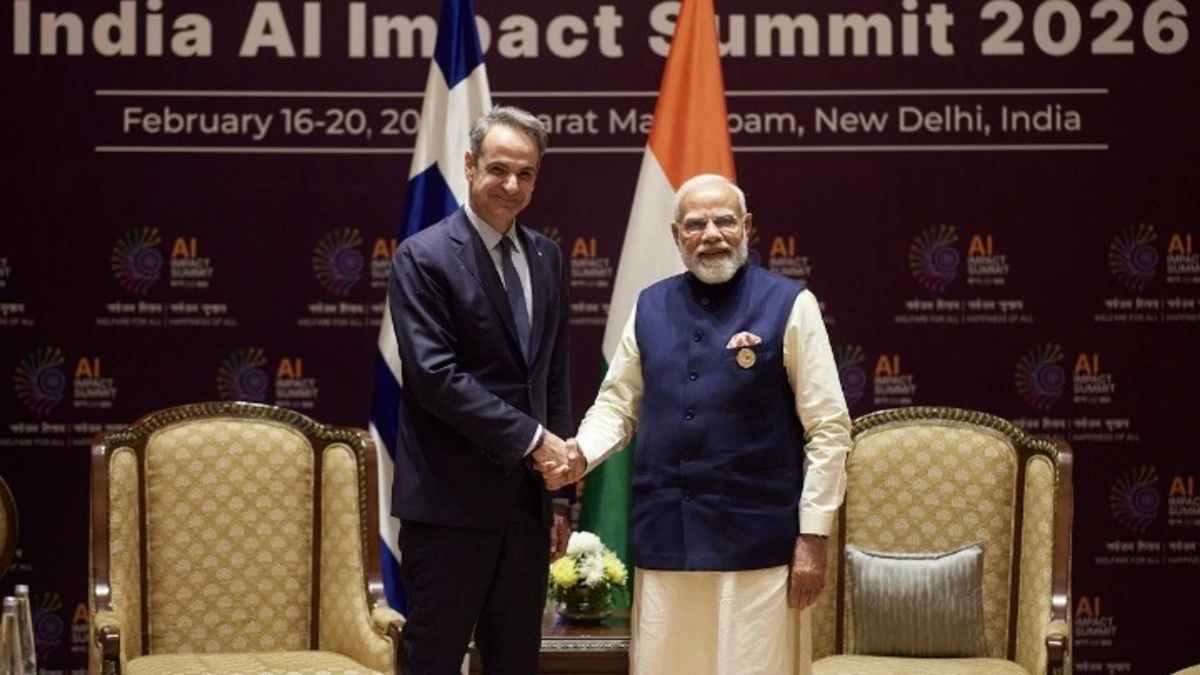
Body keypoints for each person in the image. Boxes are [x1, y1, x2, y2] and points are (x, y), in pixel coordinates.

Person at [541, 174, 851, 675]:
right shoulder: (649, 305)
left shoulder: (791, 304)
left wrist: (813, 536)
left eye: (724, 220)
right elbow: (617, 405)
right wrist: (580, 454)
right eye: (695, 224)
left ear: (747, 226)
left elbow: (829, 428)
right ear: (676, 235)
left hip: (758, 547)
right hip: (667, 540)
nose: (711, 234)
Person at [388, 105, 577, 675]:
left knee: (516, 662)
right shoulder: (423, 256)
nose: (512, 185)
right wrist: (534, 439)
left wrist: (560, 496)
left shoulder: (547, 256)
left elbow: (551, 376)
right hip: (448, 507)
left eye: (526, 174)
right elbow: (434, 377)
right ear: (470, 165)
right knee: (434, 661)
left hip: (526, 509)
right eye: (498, 169)